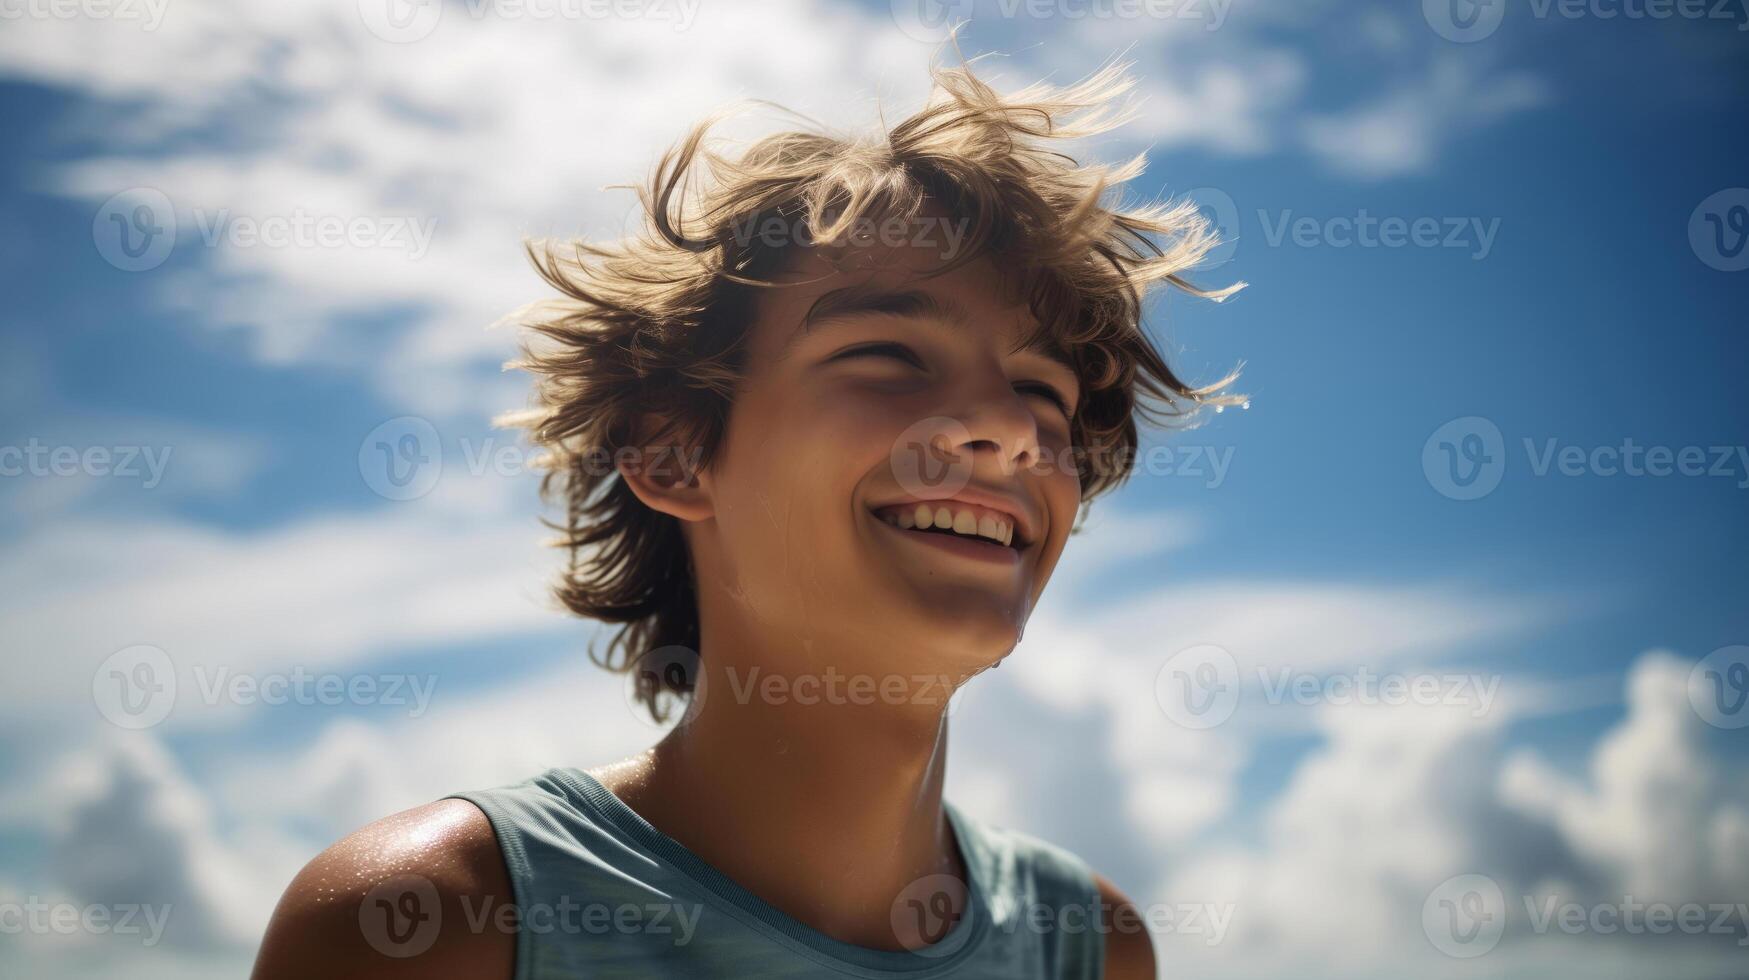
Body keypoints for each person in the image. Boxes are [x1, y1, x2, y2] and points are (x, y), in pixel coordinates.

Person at [252, 48, 1240, 980]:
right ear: (675, 451)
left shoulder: (1085, 946)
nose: (1008, 427)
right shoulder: (437, 923)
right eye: (889, 355)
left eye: (1043, 388)